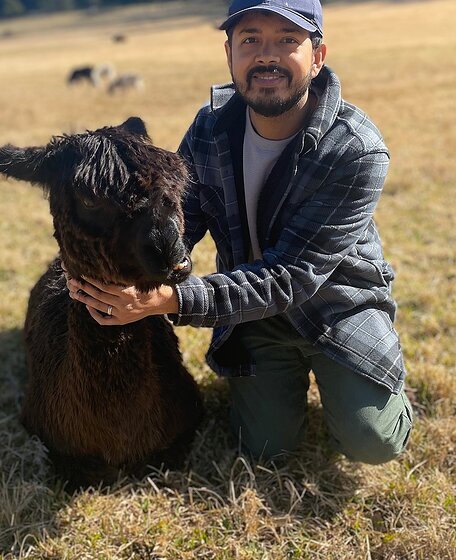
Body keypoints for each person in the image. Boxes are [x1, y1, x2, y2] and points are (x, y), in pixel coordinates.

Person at [67, 0, 413, 464]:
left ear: (317, 56)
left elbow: (291, 277)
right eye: (251, 40)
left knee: (372, 442)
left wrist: (168, 300)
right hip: (252, 313)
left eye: (287, 40)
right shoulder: (210, 127)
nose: (266, 56)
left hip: (337, 308)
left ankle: (376, 388)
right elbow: (181, 219)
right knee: (266, 448)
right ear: (230, 54)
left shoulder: (355, 150)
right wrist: (127, 273)